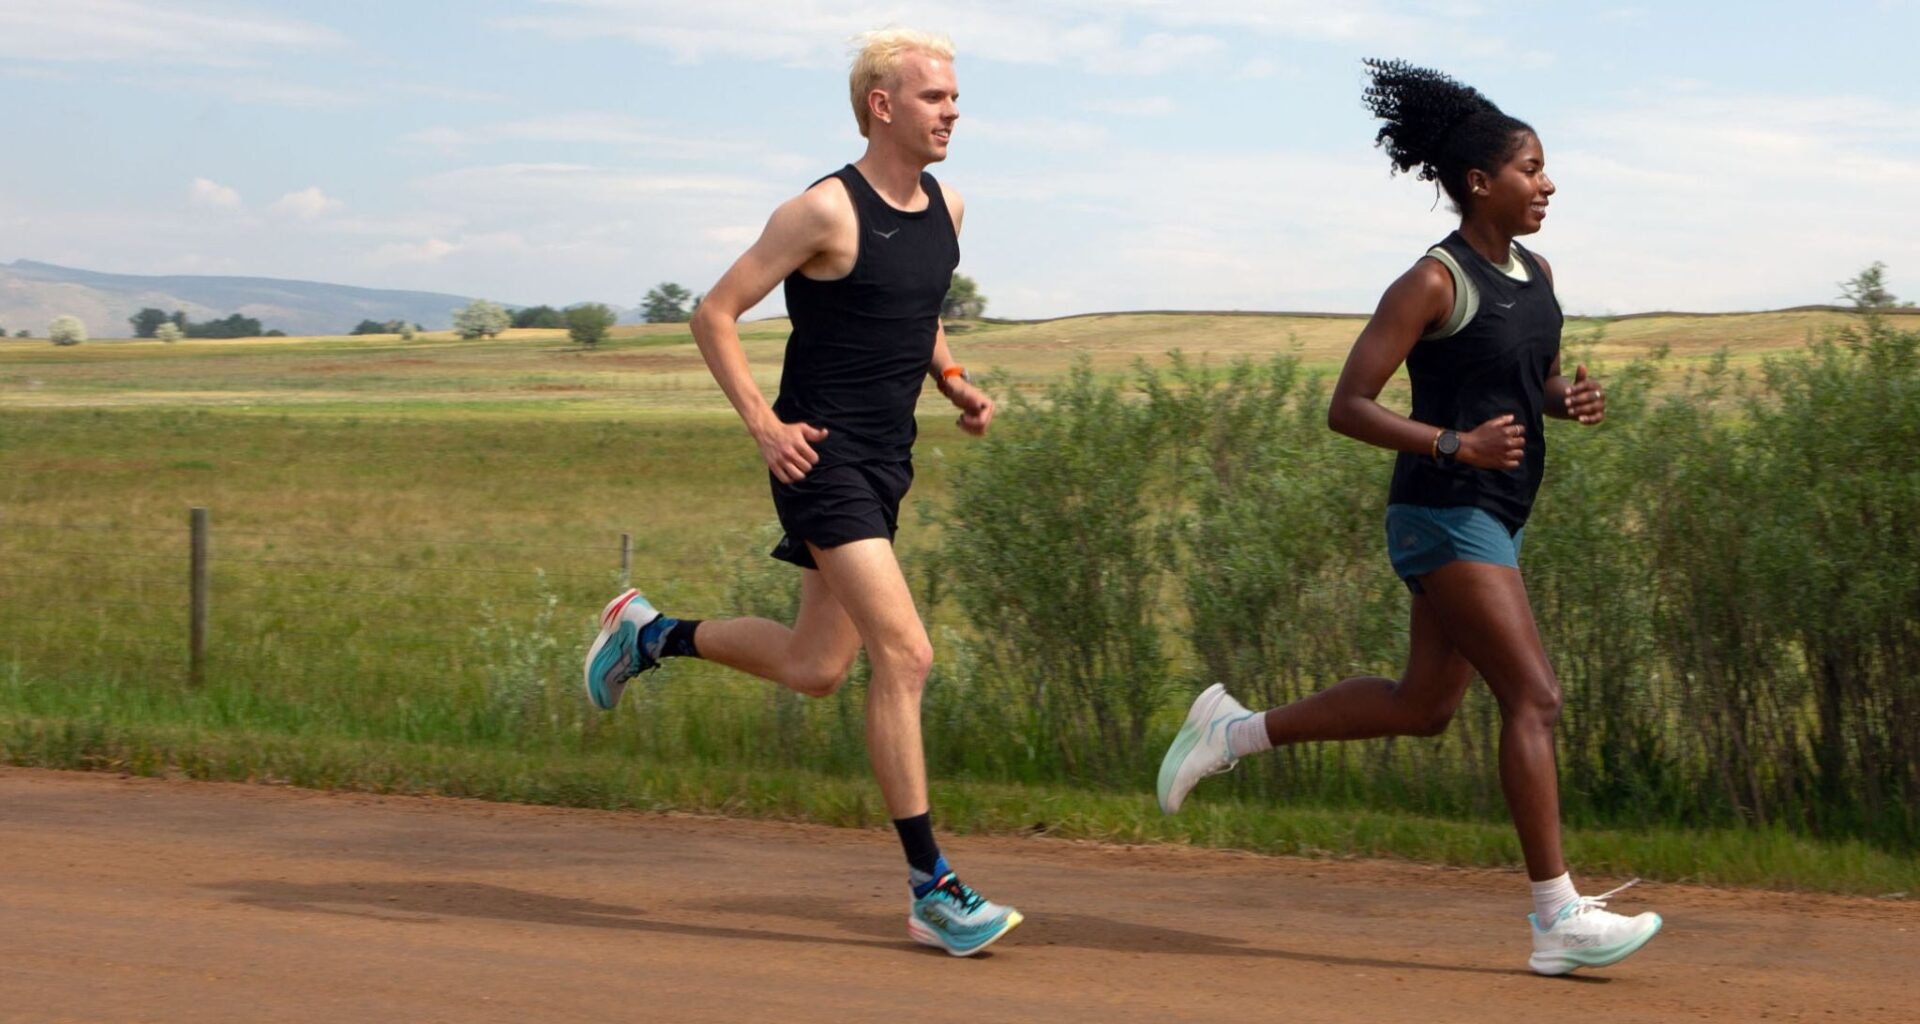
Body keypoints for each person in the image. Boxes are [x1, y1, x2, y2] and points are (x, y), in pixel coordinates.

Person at [1155, 58, 1660, 977]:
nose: (1548, 184)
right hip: (1441, 511)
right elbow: (1348, 405)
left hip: (1497, 513)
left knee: (1423, 706)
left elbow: (1521, 379)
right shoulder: (1431, 281)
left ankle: (1231, 731)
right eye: (1531, 169)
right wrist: (1452, 447)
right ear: (1480, 183)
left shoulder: (1537, 273)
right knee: (1535, 697)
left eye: (1545, 170)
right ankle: (1556, 915)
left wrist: (1563, 399)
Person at [582, 28, 1020, 958]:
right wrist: (763, 425)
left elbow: (917, 303)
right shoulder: (823, 211)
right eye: (935, 97)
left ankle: (650, 634)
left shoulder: (949, 207)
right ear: (882, 105)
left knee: (817, 668)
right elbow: (714, 312)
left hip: (887, 462)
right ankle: (930, 885)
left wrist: (951, 378)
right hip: (819, 460)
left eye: (955, 98)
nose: (952, 111)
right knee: (906, 657)